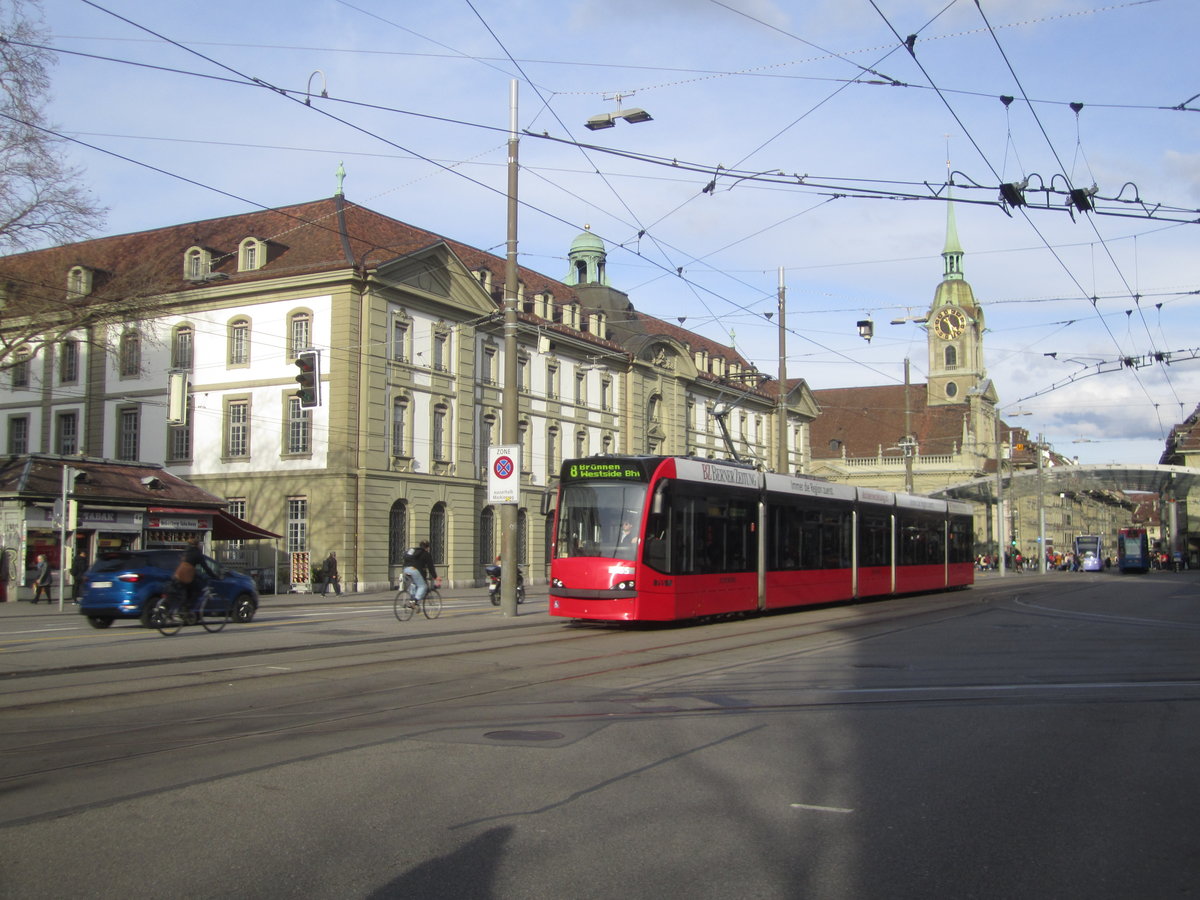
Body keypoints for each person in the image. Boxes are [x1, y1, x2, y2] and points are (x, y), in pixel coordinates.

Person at [168, 539, 217, 618]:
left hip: (178, 574)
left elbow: (190, 566)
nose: (201, 546)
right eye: (200, 545)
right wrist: (214, 576)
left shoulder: (187, 552)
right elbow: (206, 567)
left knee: (187, 591)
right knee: (196, 591)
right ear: (197, 545)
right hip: (185, 577)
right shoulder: (197, 554)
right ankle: (183, 610)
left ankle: (185, 610)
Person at [402, 540, 439, 607]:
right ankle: (415, 601)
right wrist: (435, 577)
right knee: (423, 586)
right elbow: (430, 567)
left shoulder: (413, 551)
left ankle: (411, 600)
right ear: (427, 547)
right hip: (414, 570)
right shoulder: (426, 554)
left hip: (406, 569)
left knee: (414, 584)